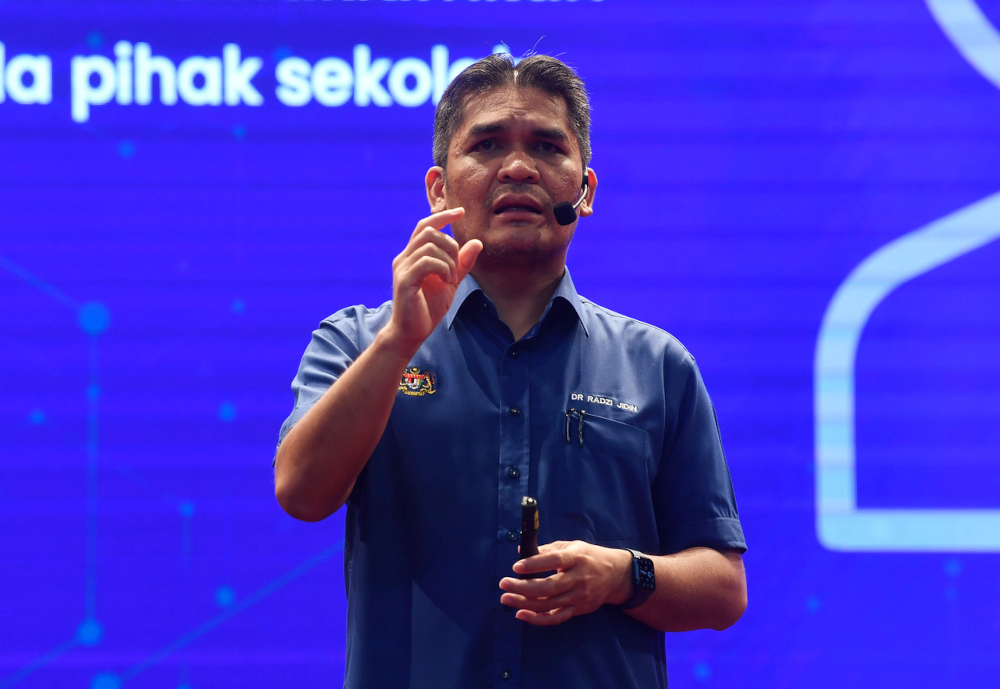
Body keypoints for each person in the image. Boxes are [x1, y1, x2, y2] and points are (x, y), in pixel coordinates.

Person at [274, 53, 747, 688]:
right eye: (488, 144)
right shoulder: (358, 340)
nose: (519, 167)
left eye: (548, 147)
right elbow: (301, 493)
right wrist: (398, 342)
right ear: (439, 188)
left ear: (585, 191)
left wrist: (621, 575)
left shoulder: (656, 364)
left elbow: (723, 588)